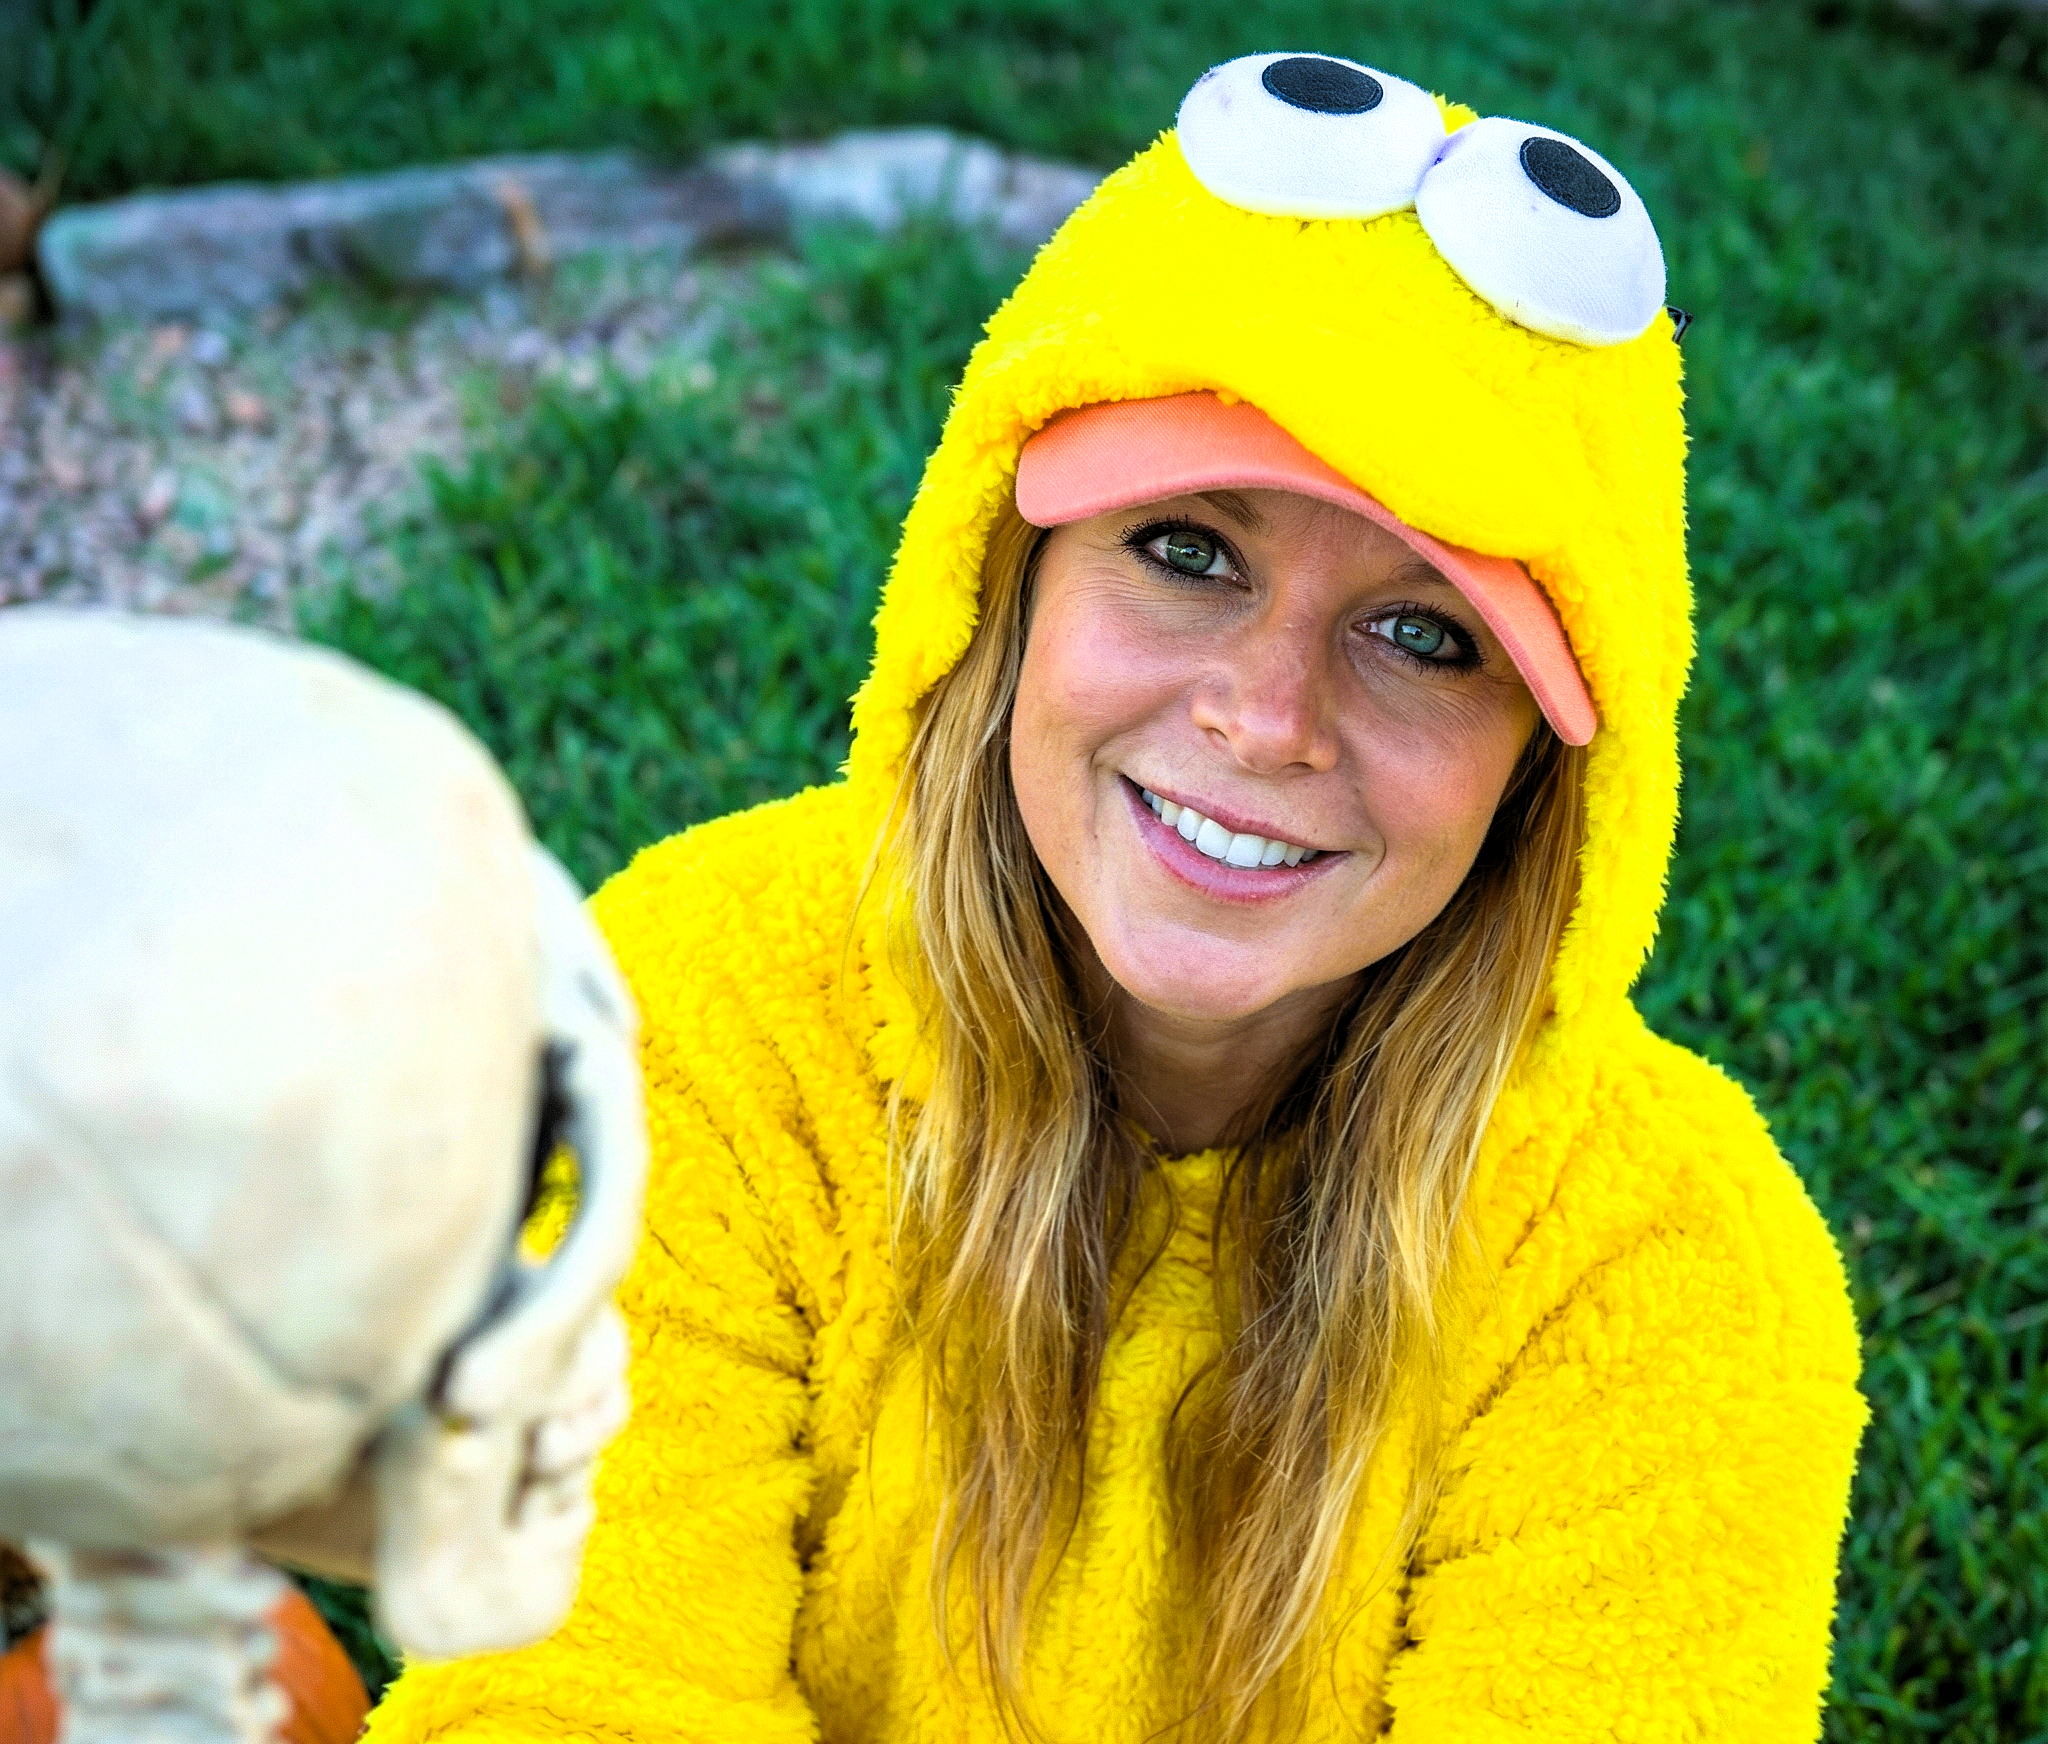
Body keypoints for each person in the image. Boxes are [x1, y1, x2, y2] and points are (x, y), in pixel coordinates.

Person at [364, 54, 1866, 1743]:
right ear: (1002, 587)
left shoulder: (1664, 1276)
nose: (1266, 716)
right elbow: (572, 1685)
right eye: (1187, 550)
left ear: (1545, 778)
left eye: (1424, 635)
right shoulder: (696, 1017)